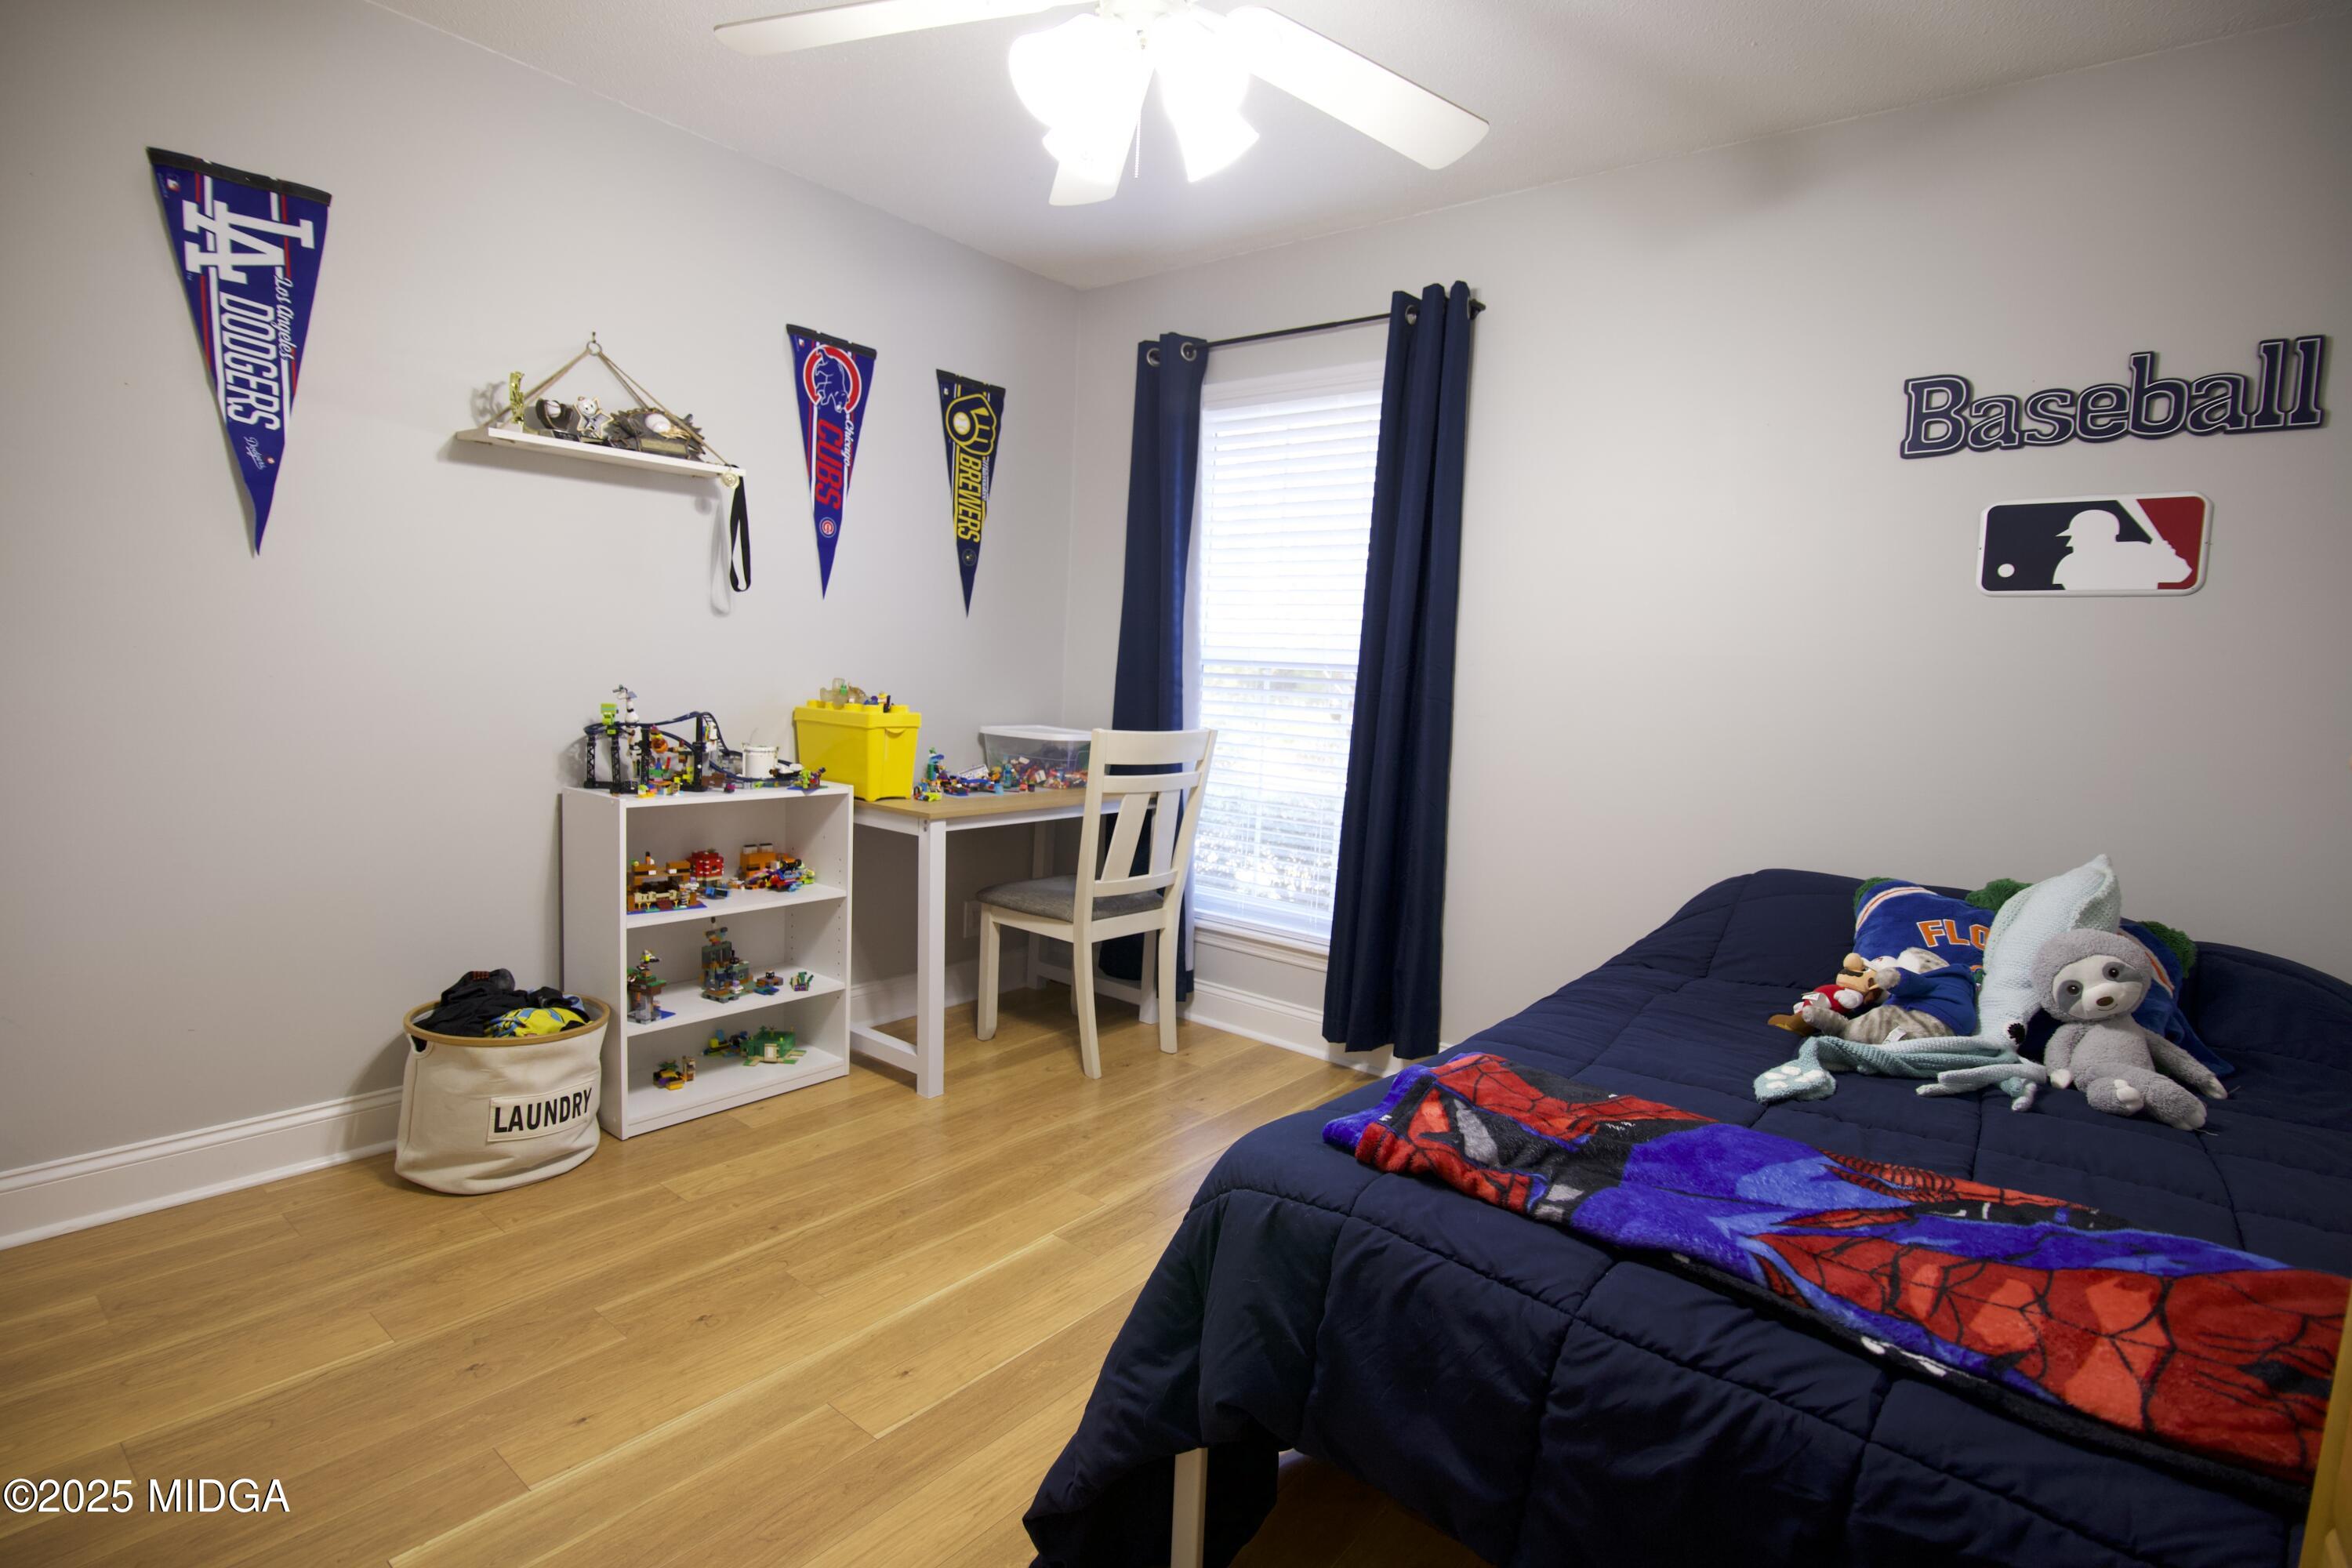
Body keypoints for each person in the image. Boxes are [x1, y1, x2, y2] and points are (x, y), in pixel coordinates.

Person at [2053, 507, 2190, 592]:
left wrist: (2166, 558)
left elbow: (2180, 575)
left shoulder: (2139, 551)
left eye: (2077, 536)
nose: (2070, 543)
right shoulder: (2071, 562)